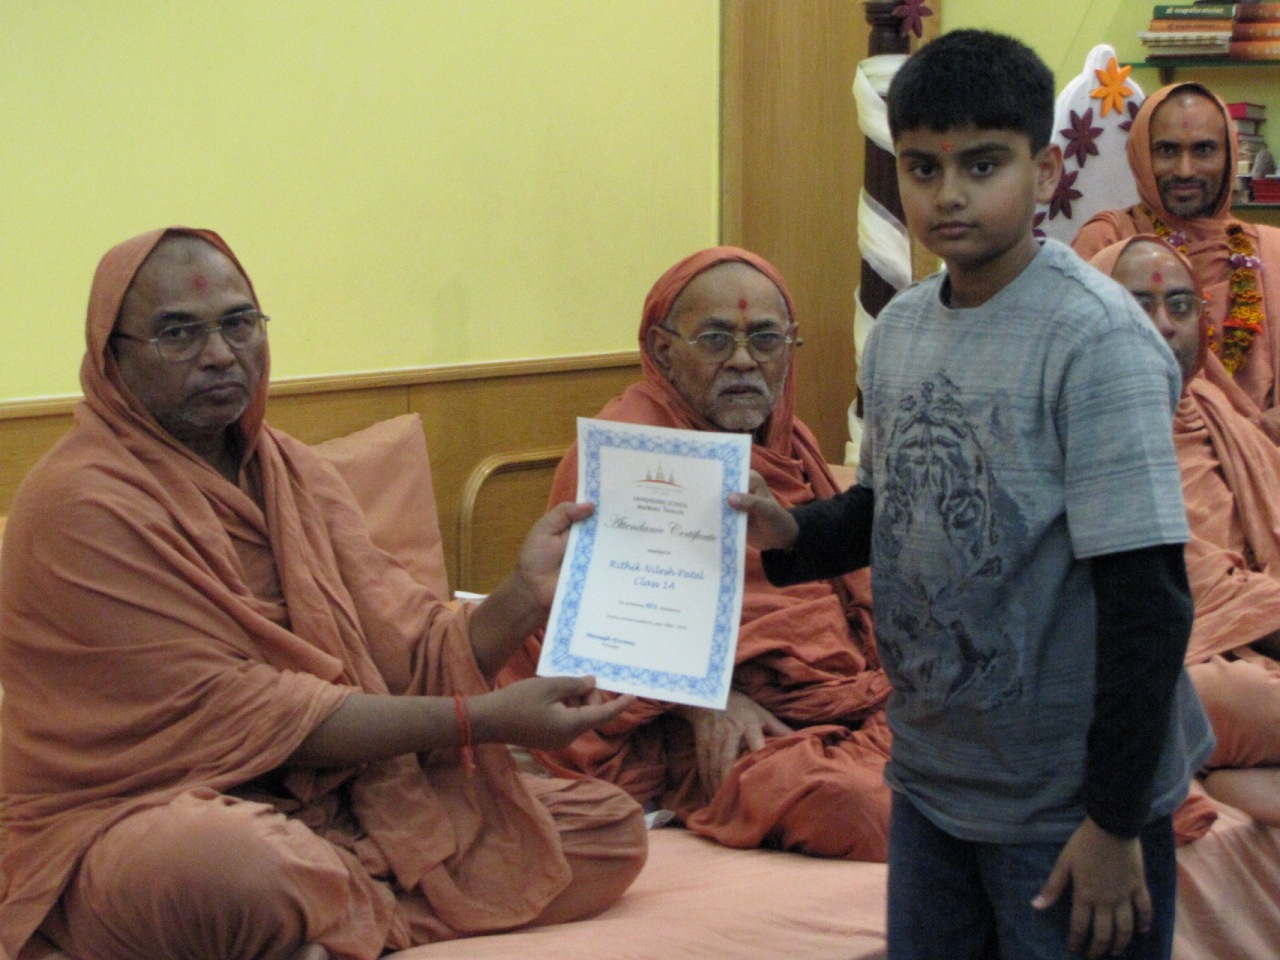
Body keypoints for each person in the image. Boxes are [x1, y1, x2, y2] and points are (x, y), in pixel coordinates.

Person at [0, 227, 647, 960]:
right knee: (232, 871)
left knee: (610, 829)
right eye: (178, 333)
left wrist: (522, 595)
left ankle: (325, 919)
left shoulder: (292, 472)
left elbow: (410, 651)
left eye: (239, 323)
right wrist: (480, 719)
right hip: (136, 813)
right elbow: (246, 713)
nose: (220, 353)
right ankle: (320, 905)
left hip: (336, 804)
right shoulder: (79, 502)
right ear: (111, 357)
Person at [729, 31, 1213, 960]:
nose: (947, 194)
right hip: (934, 784)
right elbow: (893, 506)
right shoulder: (903, 330)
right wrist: (793, 528)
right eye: (922, 167)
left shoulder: (1097, 340)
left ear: (1044, 171)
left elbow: (1148, 599)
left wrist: (1114, 822)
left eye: (981, 165)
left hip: (1069, 807)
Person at [501, 246, 893, 861]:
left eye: (766, 339)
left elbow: (848, 587)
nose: (744, 360)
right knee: (862, 807)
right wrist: (705, 703)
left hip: (847, 695)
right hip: (706, 720)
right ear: (663, 351)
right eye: (715, 339)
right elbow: (608, 633)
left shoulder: (793, 442)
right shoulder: (627, 447)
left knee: (984, 758)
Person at [1090, 234, 1280, 828]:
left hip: (1255, 632)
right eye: (1138, 305)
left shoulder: (1219, 411)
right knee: (1221, 698)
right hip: (1169, 660)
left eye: (1179, 305)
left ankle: (1235, 776)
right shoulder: (1085, 428)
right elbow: (1187, 587)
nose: (1164, 325)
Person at [1072, 82, 1280, 441]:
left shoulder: (1271, 251)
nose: (1185, 170)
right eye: (1167, 150)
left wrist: (1249, 440)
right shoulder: (1108, 242)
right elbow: (1078, 384)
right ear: (1141, 154)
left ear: (1230, 156)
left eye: (1204, 150)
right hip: (1141, 449)